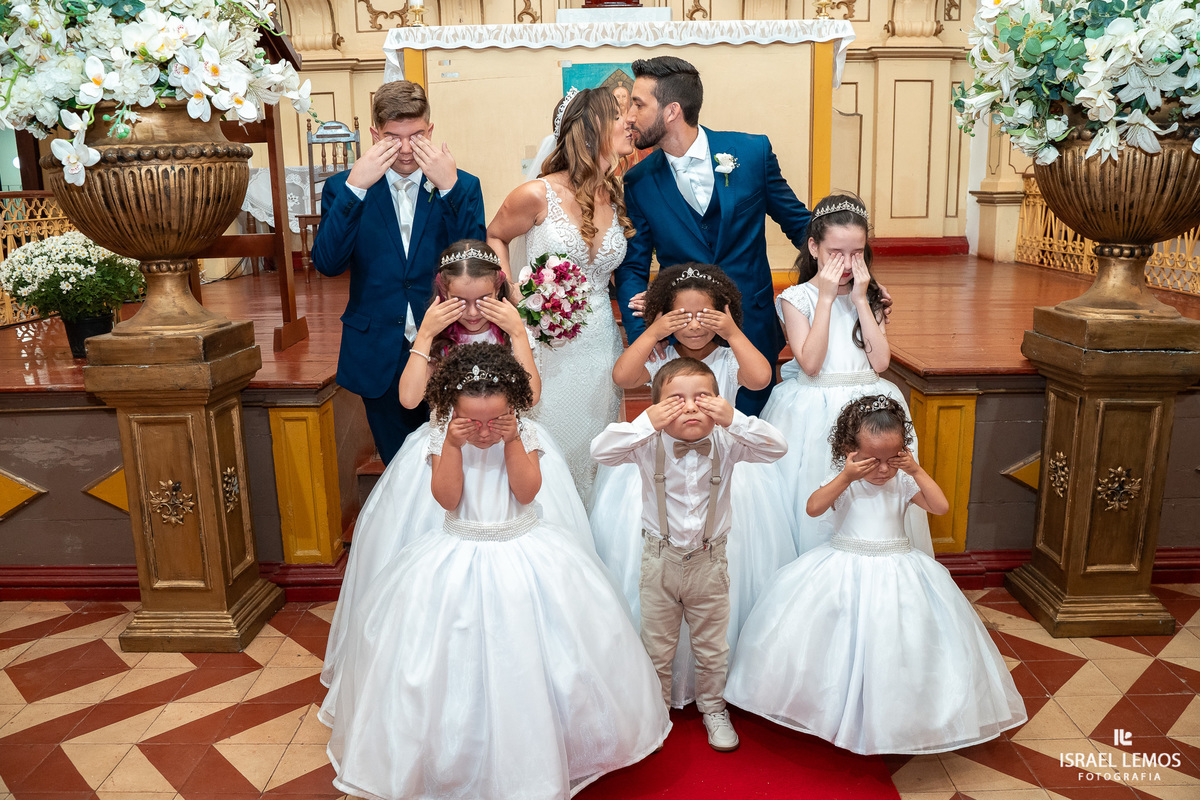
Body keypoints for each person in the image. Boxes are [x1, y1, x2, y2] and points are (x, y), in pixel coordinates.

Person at [320, 343, 670, 800]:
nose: (484, 430)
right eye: (473, 421)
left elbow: (526, 492)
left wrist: (510, 440)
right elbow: (447, 499)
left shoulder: (524, 435)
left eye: (496, 419)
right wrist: (451, 442)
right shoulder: (444, 437)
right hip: (457, 547)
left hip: (522, 546)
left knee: (533, 656)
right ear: (452, 410)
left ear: (514, 409)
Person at [320, 242, 592, 694]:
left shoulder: (510, 331)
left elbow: (533, 396)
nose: (470, 311)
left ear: (499, 288)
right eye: (459, 300)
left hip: (509, 445)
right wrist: (424, 337)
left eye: (482, 299)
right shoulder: (437, 334)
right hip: (445, 448)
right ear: (441, 294)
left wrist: (520, 334)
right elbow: (409, 399)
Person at [726, 396, 1027, 755]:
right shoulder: (847, 480)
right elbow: (813, 507)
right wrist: (846, 476)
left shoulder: (902, 482)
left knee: (897, 644)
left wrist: (914, 471)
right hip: (843, 568)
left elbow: (940, 506)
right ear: (850, 450)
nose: (883, 470)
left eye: (892, 459)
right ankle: (836, 713)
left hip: (899, 570)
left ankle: (898, 717)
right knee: (839, 646)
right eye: (873, 460)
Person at [589, 263, 797, 708]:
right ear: (665, 315)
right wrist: (652, 330)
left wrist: (735, 332)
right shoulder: (660, 359)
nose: (695, 324)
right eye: (681, 316)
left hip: (725, 474)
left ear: (723, 314)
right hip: (657, 472)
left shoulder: (726, 358)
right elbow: (623, 377)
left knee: (722, 586)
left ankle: (717, 688)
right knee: (653, 585)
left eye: (706, 315)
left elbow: (760, 378)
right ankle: (655, 687)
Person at [591, 358, 787, 753]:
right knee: (657, 645)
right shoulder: (647, 443)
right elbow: (601, 451)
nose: (692, 407)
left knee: (713, 647)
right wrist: (649, 421)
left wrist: (734, 419)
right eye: (676, 399)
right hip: (659, 561)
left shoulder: (728, 441)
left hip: (709, 564)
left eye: (703, 398)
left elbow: (776, 448)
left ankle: (713, 707)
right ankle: (657, 710)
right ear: (658, 405)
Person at [616, 56, 811, 416]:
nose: (629, 115)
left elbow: (801, 225)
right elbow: (632, 266)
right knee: (690, 430)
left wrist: (847, 281)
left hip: (751, 325)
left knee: (752, 435)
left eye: (638, 104)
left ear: (672, 111)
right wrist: (645, 334)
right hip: (683, 339)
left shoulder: (752, 153)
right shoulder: (638, 182)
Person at [313, 80, 486, 464]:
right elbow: (327, 263)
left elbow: (477, 266)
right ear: (375, 134)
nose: (406, 149)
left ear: (431, 130)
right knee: (398, 467)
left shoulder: (462, 185)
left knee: (456, 460)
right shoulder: (345, 187)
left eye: (417, 136)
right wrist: (356, 189)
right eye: (393, 137)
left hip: (449, 344)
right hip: (378, 352)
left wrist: (450, 189)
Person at [761, 194, 932, 555]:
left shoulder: (869, 297)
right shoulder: (797, 299)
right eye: (836, 253)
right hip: (812, 410)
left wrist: (859, 301)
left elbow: (881, 363)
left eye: (857, 253)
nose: (847, 263)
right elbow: (810, 363)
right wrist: (825, 299)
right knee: (817, 494)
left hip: (869, 406)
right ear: (813, 247)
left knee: (873, 497)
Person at [487, 88, 636, 501]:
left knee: (593, 450)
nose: (630, 122)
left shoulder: (615, 193)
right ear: (590, 130)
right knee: (549, 442)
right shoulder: (536, 194)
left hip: (599, 344)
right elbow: (496, 236)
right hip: (546, 348)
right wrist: (515, 293)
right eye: (618, 115)